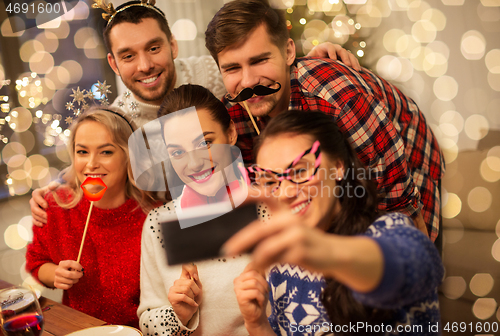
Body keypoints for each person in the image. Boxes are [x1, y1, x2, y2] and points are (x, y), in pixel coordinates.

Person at [29, 0, 359, 226]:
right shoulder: (121, 123)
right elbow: (92, 159)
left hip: (260, 205)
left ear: (172, 45)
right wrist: (53, 188)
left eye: (154, 48)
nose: (145, 65)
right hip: (189, 227)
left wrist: (305, 60)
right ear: (113, 63)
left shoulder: (214, 74)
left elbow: (258, 69)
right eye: (128, 56)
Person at [205, 0, 445, 241]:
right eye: (232, 68)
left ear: (288, 52)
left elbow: (399, 204)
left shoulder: (340, 99)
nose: (247, 82)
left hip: (407, 150)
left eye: (259, 61)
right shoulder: (233, 113)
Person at [224, 110, 444, 336]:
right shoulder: (283, 267)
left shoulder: (389, 229)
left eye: (300, 171)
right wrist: (257, 324)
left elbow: (420, 264)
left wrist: (327, 251)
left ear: (338, 166)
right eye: (271, 181)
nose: (285, 192)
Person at [137, 84, 254, 336]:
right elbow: (147, 322)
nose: (193, 163)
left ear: (231, 133)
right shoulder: (159, 224)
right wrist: (177, 313)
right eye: (177, 152)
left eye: (205, 142)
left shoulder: (268, 208)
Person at [25, 108, 158, 328]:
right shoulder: (53, 206)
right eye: (82, 152)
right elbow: (36, 263)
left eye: (106, 152)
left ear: (129, 155)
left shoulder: (152, 216)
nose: (91, 164)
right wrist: (55, 274)